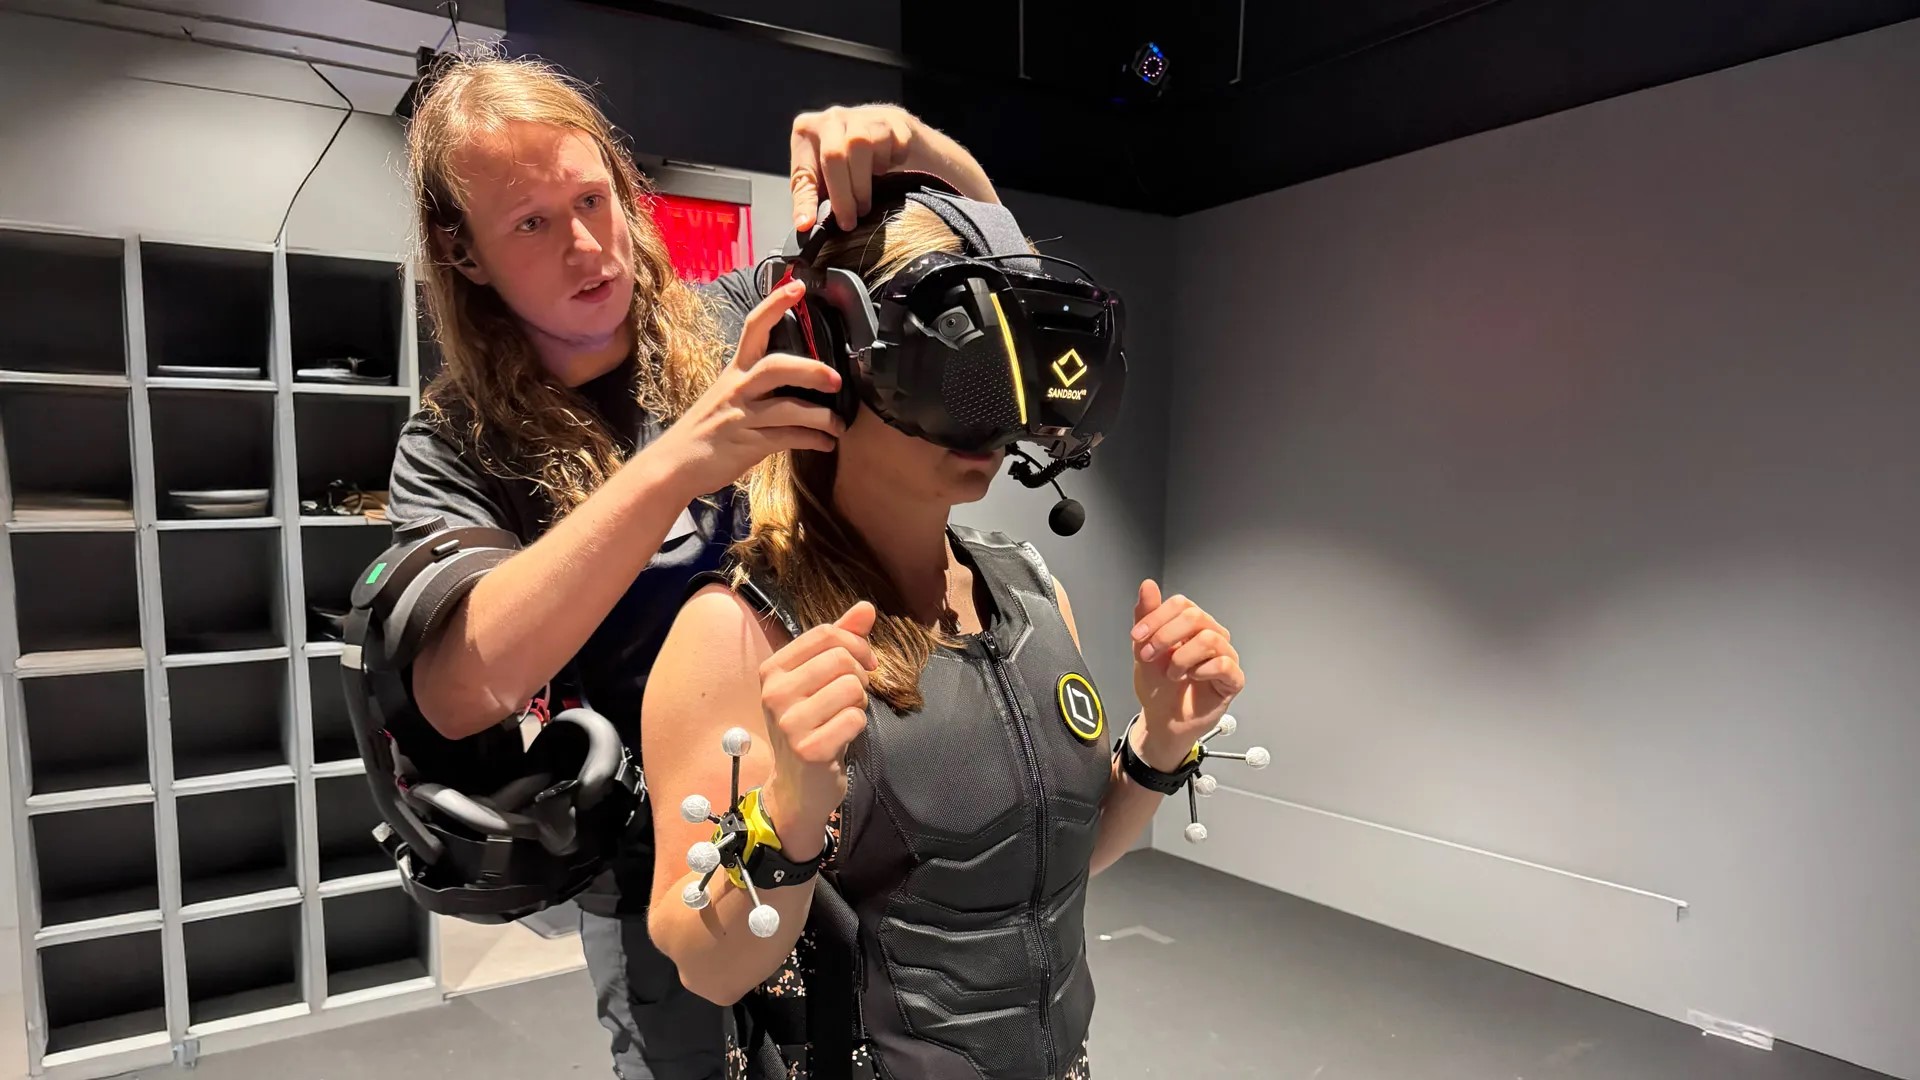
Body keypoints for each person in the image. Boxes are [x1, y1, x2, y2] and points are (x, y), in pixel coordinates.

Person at [383, 52, 1004, 1080]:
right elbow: (457, 688)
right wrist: (679, 462)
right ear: (465, 254)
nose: (587, 246)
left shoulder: (739, 321)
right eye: (531, 223)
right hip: (665, 865)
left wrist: (919, 148)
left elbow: (988, 275)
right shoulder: (455, 442)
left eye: (593, 201)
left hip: (865, 800)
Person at [640, 190, 1248, 1079]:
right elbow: (707, 965)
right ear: (831, 356)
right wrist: (792, 810)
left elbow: (1044, 869)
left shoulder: (1031, 591)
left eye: (1007, 371)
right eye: (954, 364)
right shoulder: (739, 632)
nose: (991, 412)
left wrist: (1160, 743)